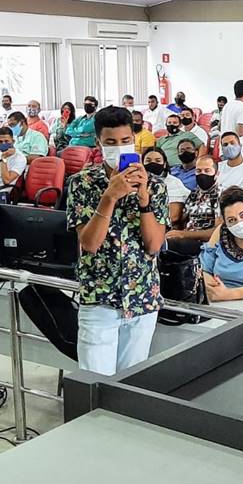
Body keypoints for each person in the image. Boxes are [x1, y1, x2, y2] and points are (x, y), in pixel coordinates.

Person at [67, 106, 168, 375]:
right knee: (95, 383)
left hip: (142, 298)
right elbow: (89, 244)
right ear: (99, 142)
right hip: (99, 298)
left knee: (132, 386)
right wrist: (109, 197)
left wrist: (144, 199)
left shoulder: (155, 185)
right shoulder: (82, 183)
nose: (120, 148)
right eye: (111, 143)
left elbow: (154, 245)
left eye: (126, 141)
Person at [167, 155, 220, 243]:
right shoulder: (194, 194)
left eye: (207, 171)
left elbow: (218, 231)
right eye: (198, 171)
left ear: (216, 173)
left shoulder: (221, 195)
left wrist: (183, 234)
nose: (202, 174)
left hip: (205, 244)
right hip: (185, 237)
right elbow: (181, 220)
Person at [142, 147, 188, 228]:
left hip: (162, 227)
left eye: (158, 161)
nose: (153, 163)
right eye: (148, 161)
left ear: (164, 164)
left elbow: (173, 216)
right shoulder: (137, 181)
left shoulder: (174, 183)